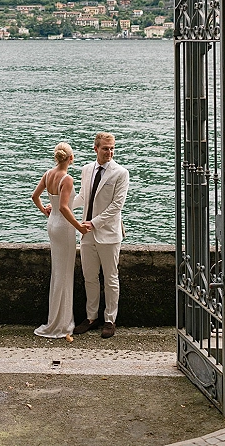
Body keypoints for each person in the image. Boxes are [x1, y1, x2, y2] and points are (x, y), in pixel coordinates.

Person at [31, 141, 91, 341]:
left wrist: (45, 210)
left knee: (58, 272)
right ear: (71, 158)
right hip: (64, 228)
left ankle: (56, 320)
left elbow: (35, 196)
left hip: (52, 225)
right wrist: (79, 227)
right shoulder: (67, 178)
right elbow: (65, 208)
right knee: (64, 274)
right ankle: (62, 324)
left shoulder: (48, 174)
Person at [72, 132, 129, 339]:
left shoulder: (121, 173)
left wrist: (94, 223)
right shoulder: (86, 169)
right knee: (89, 277)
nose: (110, 152)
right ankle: (91, 317)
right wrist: (62, 207)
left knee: (111, 278)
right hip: (86, 234)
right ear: (96, 148)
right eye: (106, 148)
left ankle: (110, 320)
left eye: (112, 148)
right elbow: (82, 196)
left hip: (108, 234)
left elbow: (117, 206)